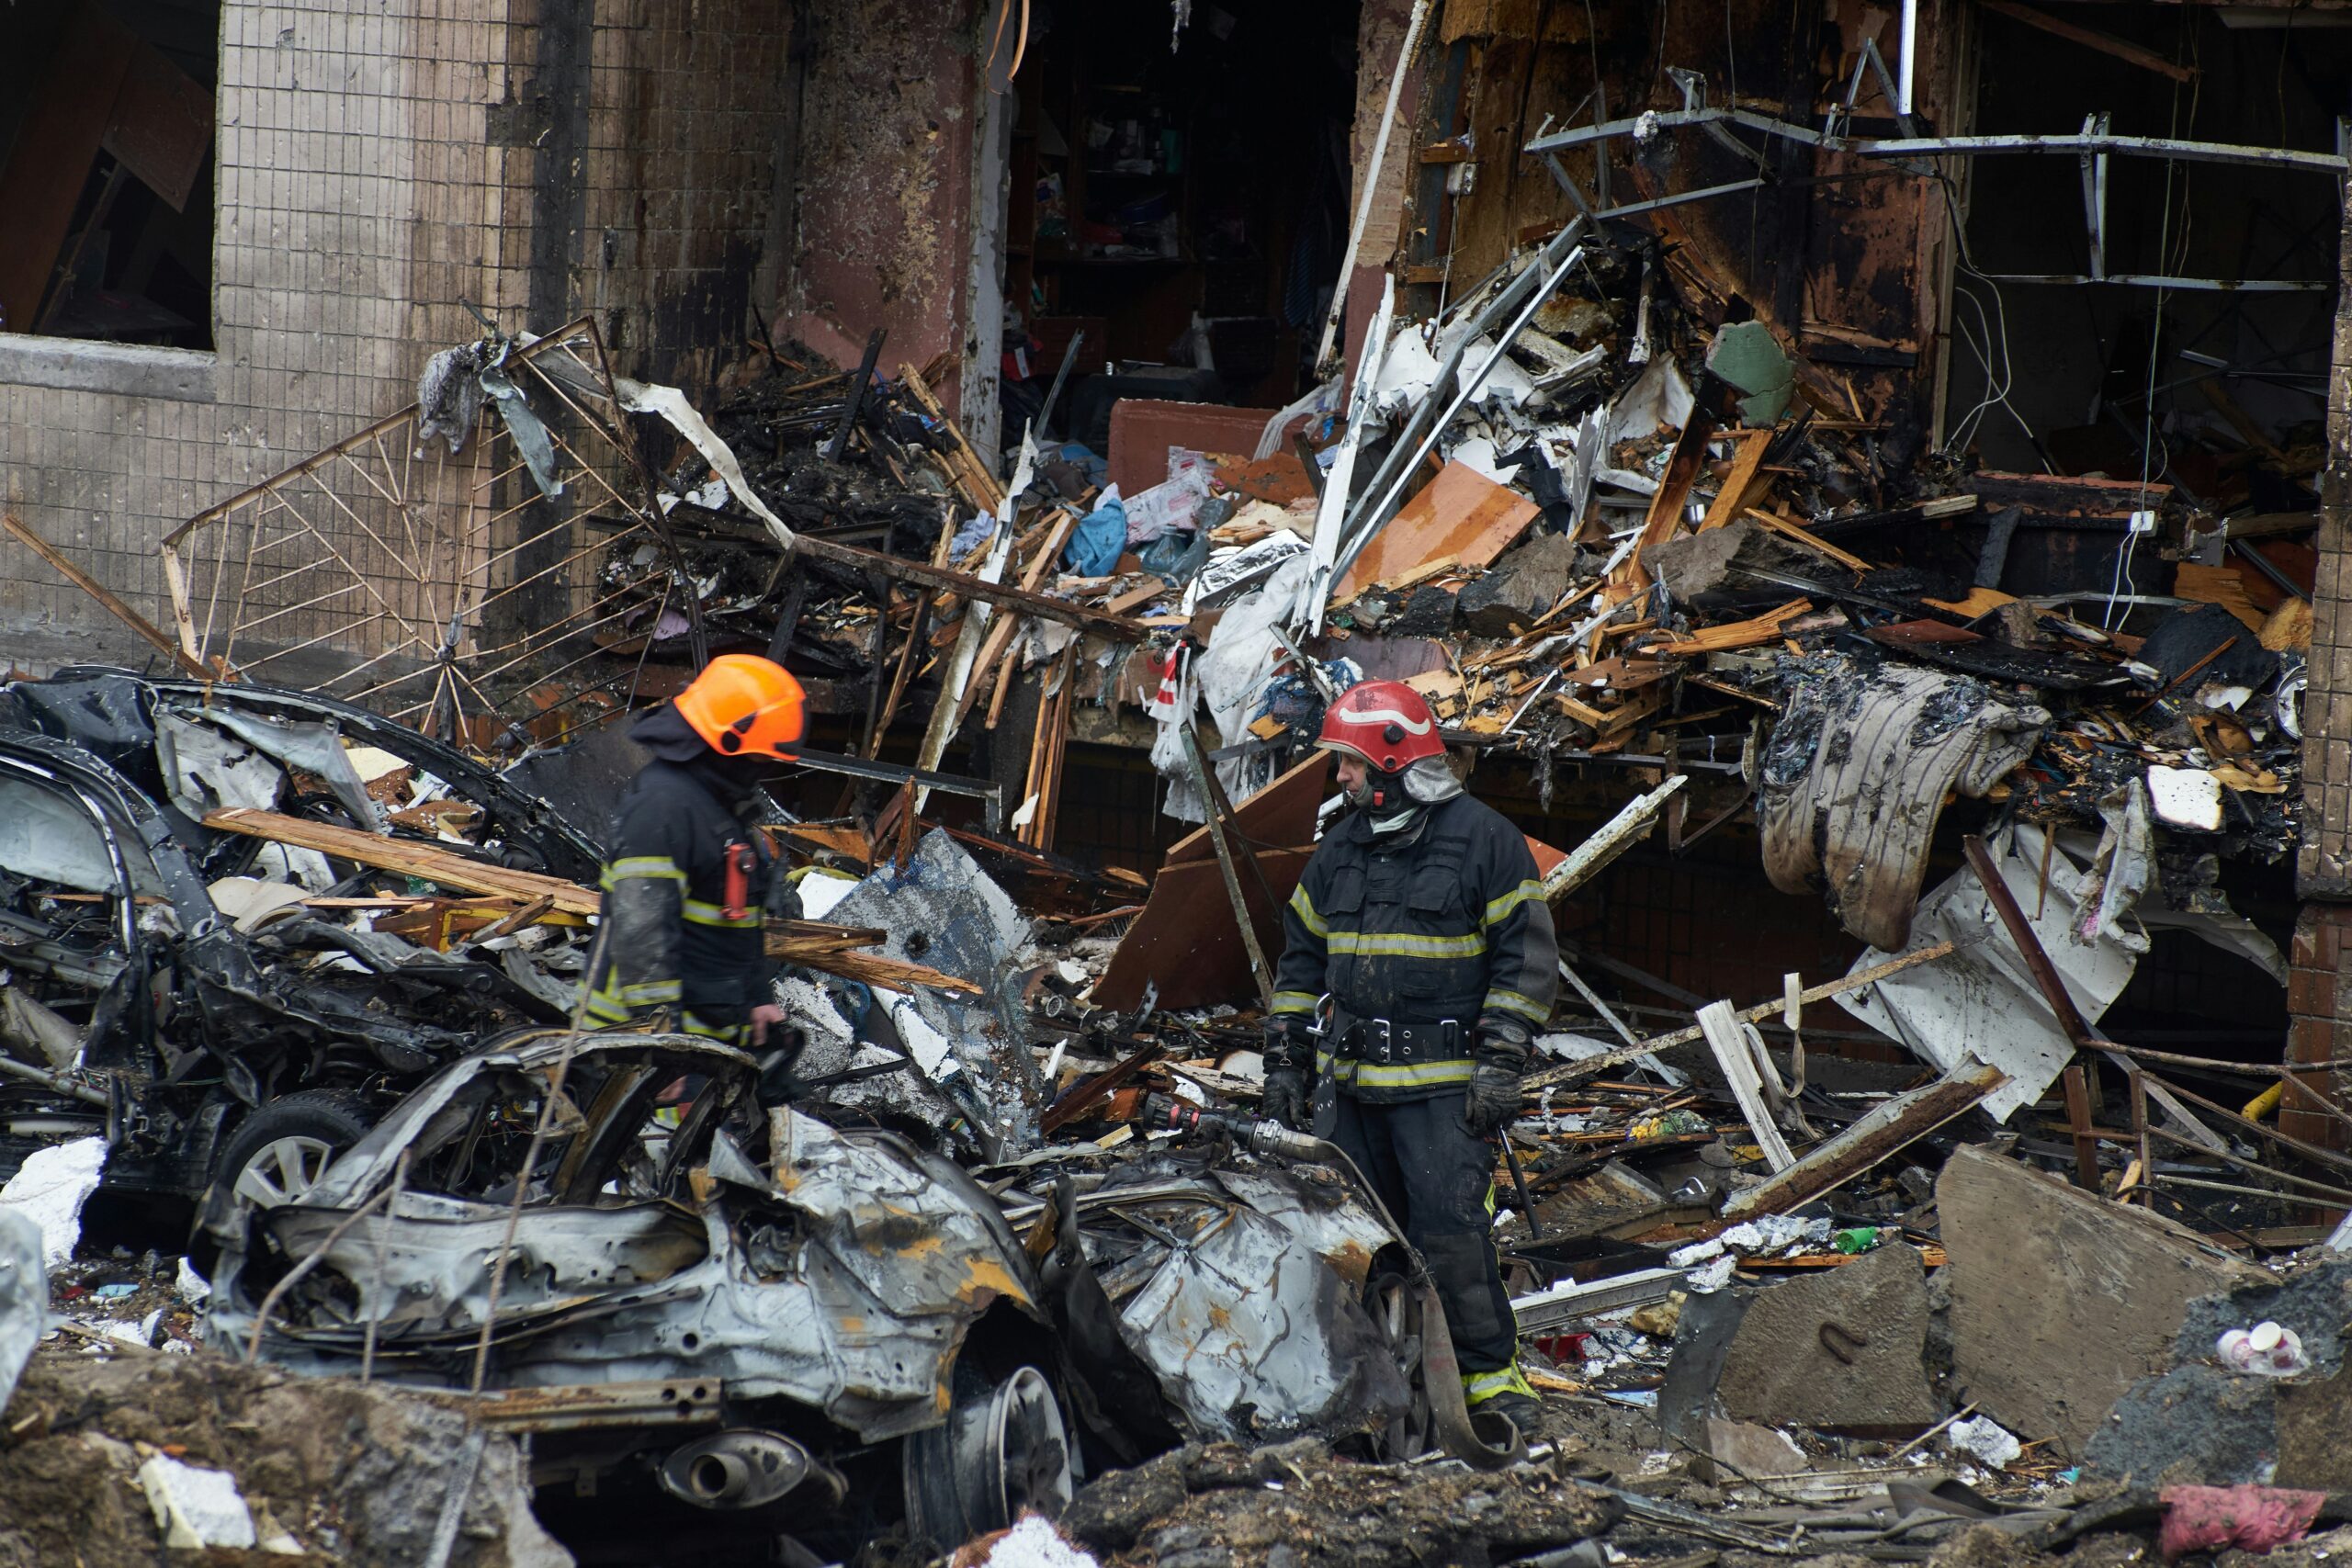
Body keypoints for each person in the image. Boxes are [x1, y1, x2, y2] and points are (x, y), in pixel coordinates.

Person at [1262, 679, 1557, 1435]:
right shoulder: (1341, 849)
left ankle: (1492, 1384)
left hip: (1439, 1095)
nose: (1341, 778)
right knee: (1347, 1244)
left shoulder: (1485, 840)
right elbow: (1299, 962)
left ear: (1393, 760)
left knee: (1452, 1236)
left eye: (1350, 763)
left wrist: (1499, 1061)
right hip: (1353, 1093)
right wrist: (1285, 1063)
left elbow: (1523, 959)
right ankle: (1366, 1389)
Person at [582, 654, 805, 1051]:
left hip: (702, 1042)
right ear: (728, 739)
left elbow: (735, 923)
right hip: (630, 1051)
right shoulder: (663, 806)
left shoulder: (716, 806)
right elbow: (641, 931)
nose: (765, 767)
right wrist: (660, 1043)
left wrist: (757, 999)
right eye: (760, 756)